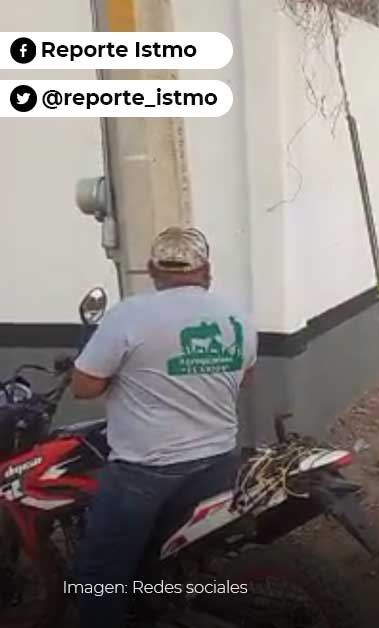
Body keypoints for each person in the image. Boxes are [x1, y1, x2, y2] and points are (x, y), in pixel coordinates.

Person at [70, 226, 258, 627]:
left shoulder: (130, 315)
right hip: (220, 459)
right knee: (167, 551)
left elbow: (84, 386)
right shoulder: (237, 314)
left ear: (154, 269)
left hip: (146, 470)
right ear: (206, 268)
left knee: (97, 573)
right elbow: (245, 376)